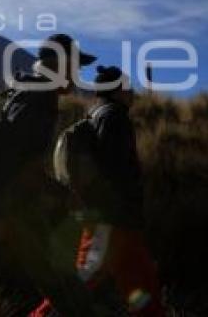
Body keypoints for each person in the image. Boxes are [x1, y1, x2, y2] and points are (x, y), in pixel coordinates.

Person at [0, 33, 99, 317]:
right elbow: (13, 160)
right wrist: (64, 195)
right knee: (63, 286)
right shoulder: (40, 97)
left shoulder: (26, 90)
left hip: (0, 209)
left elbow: (10, 156)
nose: (77, 76)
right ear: (59, 64)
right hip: (15, 212)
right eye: (75, 67)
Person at [32, 65, 165, 317]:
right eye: (128, 87)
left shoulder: (97, 116)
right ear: (117, 90)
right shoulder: (115, 117)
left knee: (140, 286)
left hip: (116, 223)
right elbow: (114, 170)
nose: (132, 93)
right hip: (113, 222)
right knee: (85, 284)